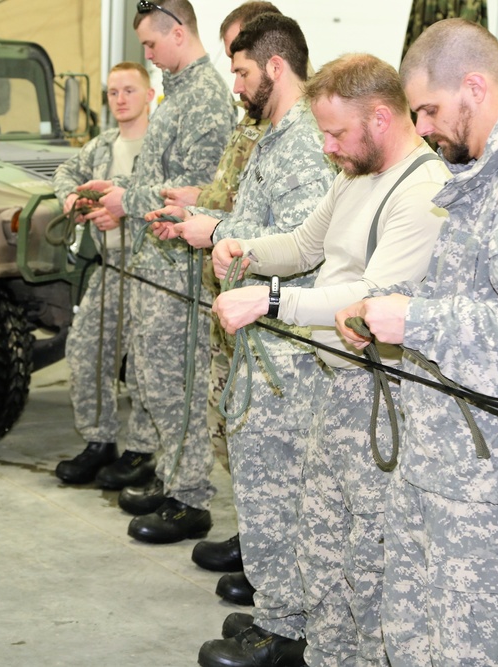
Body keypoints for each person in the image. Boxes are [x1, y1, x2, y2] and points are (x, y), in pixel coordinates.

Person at [201, 53, 450, 667]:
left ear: (383, 118)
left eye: (337, 133)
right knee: (321, 536)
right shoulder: (355, 173)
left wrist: (271, 299)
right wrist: (242, 247)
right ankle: (321, 652)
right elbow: (305, 245)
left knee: (368, 556)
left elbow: (372, 300)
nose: (330, 147)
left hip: (381, 395)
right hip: (337, 384)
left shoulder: (423, 191)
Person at [336, 19, 498, 666]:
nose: (425, 127)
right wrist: (390, 305)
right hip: (438, 468)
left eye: (430, 110)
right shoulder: (479, 177)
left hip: (497, 496)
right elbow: (470, 292)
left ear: (474, 86)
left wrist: (416, 322)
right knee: (410, 642)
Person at [148, 13, 333, 665]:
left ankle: (289, 631)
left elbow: (303, 247)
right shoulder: (273, 134)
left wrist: (222, 239)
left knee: (283, 487)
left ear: (275, 67)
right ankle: (276, 610)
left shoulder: (306, 139)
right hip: (261, 342)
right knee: (262, 485)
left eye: (244, 70)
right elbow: (260, 222)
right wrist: (202, 222)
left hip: (286, 347)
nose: (236, 83)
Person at [79, 0, 235, 543]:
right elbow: (160, 179)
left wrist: (128, 198)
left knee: (178, 386)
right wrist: (120, 200)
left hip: (181, 269)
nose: (146, 54)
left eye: (150, 44)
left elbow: (197, 196)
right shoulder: (179, 93)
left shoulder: (208, 100)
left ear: (177, 32)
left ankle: (189, 498)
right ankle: (172, 479)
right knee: (154, 378)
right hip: (156, 261)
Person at [157, 0, 281, 582]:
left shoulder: (289, 133)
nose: (233, 80)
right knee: (231, 426)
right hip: (232, 291)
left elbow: (282, 230)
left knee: (261, 437)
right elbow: (232, 193)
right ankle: (252, 535)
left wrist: (214, 223)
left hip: (262, 302)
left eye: (241, 67)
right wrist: (196, 202)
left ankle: (266, 554)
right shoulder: (253, 124)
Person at [52, 62, 160, 486]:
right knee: (86, 350)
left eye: (129, 91)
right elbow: (66, 174)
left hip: (153, 271)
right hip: (110, 268)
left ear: (149, 95)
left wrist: (124, 216)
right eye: (113, 92)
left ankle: (141, 450)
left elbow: (177, 201)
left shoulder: (160, 146)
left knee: (145, 367)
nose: (120, 99)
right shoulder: (102, 146)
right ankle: (99, 441)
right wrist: (74, 201)